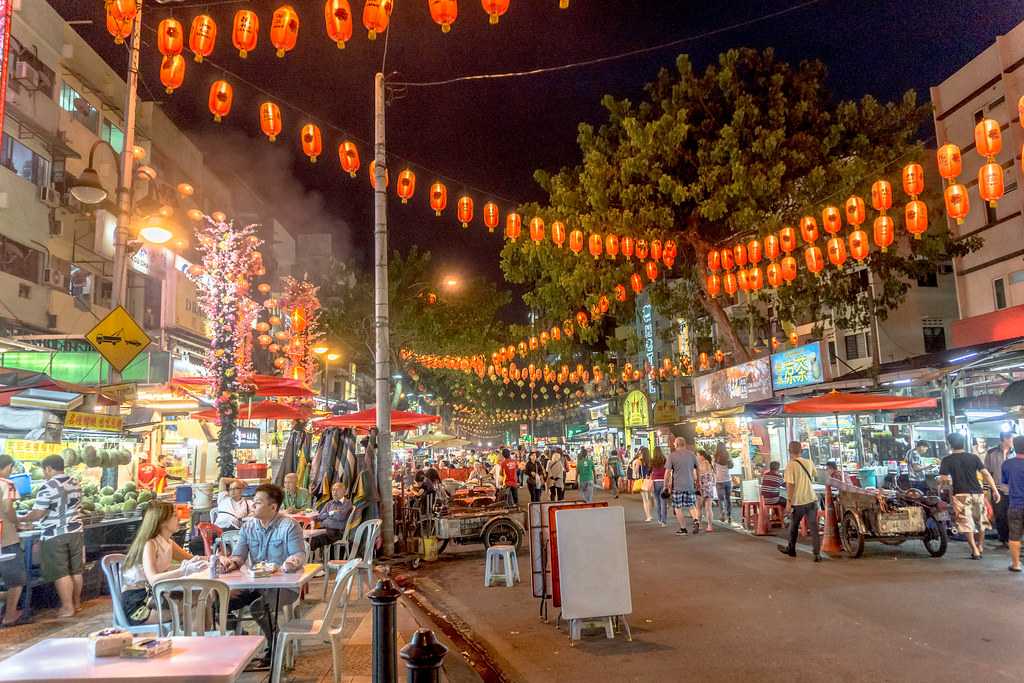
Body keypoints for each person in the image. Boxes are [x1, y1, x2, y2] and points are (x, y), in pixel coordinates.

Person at [218, 483, 305, 667]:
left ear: (273, 507)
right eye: (253, 502)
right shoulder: (248, 527)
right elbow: (239, 556)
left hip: (282, 587)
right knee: (218, 603)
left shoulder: (289, 526)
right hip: (254, 584)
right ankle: (242, 641)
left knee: (259, 606)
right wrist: (230, 563)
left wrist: (290, 564)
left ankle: (274, 645)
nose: (253, 505)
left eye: (257, 502)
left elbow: (298, 555)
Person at [121, 500, 207, 625]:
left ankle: (199, 637)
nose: (178, 516)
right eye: (173, 514)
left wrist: (217, 558)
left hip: (156, 596)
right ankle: (196, 638)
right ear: (162, 521)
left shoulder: (167, 542)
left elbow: (191, 558)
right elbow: (153, 579)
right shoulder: (150, 544)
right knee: (197, 603)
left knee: (202, 597)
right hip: (140, 605)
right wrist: (183, 571)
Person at [21, 454, 84, 618]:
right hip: (76, 531)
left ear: (48, 468)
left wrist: (22, 518)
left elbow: (38, 513)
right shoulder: (75, 482)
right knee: (76, 570)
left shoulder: (47, 486)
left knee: (61, 572)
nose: (44, 473)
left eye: (44, 470)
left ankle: (67, 607)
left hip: (55, 533)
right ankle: (77, 604)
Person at [939, 432, 1000, 560]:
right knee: (981, 521)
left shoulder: (947, 460)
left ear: (949, 444)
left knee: (966, 523)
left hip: (960, 494)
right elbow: (986, 474)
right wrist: (995, 490)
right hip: (977, 493)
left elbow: (944, 480)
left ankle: (975, 550)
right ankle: (981, 546)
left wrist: (941, 485)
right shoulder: (973, 457)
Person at [779, 441, 821, 562]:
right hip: (812, 499)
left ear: (789, 452)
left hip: (798, 502)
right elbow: (815, 476)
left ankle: (791, 549)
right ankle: (817, 554)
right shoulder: (809, 462)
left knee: (794, 525)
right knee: (814, 527)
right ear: (801, 451)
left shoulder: (790, 465)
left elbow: (790, 485)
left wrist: (789, 502)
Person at [0, 454, 27, 626]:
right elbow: (8, 509)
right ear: (8, 467)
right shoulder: (8, 484)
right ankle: (10, 615)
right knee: (16, 579)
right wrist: (18, 523)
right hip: (5, 538)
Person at [985, 431, 1015, 548]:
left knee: (1013, 514)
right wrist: (987, 491)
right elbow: (986, 472)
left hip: (1013, 489)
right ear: (1004, 439)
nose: (1012, 441)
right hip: (997, 489)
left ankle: (1013, 538)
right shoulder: (991, 453)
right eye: (1011, 439)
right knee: (1000, 514)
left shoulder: (1016, 452)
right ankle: (1003, 538)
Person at [665, 437, 699, 535]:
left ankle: (683, 529)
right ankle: (696, 520)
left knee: (678, 507)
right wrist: (698, 481)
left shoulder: (672, 456)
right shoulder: (692, 455)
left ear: (676, 444)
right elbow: (698, 469)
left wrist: (665, 484)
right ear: (684, 444)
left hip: (677, 486)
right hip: (690, 484)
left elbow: (667, 472)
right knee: (691, 506)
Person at [309, 482, 353, 556]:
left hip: (337, 532)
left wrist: (327, 515)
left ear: (344, 491)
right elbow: (320, 517)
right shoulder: (329, 503)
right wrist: (331, 513)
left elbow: (340, 516)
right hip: (325, 529)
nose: (334, 492)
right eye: (333, 490)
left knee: (315, 538)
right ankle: (309, 557)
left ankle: (307, 558)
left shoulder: (347, 503)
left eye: (337, 490)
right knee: (307, 536)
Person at [1002, 435, 1024, 573]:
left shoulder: (1007, 464)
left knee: (1014, 535)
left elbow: (1004, 484)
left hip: (1015, 504)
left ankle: (1016, 564)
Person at [713, 443, 734, 525]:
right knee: (728, 499)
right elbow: (731, 466)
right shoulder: (728, 456)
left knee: (721, 499)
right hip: (728, 480)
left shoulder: (715, 457)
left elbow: (714, 469)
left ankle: (722, 514)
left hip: (719, 481)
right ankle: (729, 516)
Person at [696, 451, 716, 532]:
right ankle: (710, 526)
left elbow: (696, 477)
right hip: (709, 487)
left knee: (699, 508)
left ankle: (699, 525)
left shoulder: (699, 465)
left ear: (702, 456)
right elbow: (714, 478)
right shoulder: (710, 464)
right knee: (708, 508)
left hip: (701, 487)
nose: (696, 457)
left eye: (697, 455)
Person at [635, 447, 654, 522]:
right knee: (649, 499)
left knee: (645, 500)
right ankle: (650, 515)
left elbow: (636, 471)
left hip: (643, 481)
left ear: (641, 452)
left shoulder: (639, 461)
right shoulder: (650, 460)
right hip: (649, 480)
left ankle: (648, 516)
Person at [651, 447, 668, 526]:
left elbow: (650, 471)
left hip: (655, 482)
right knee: (663, 502)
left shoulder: (652, 460)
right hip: (663, 481)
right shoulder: (665, 459)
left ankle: (659, 519)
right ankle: (664, 522)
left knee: (657, 502)